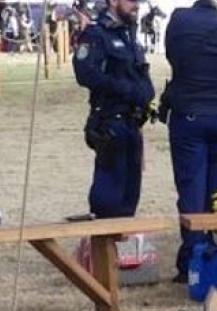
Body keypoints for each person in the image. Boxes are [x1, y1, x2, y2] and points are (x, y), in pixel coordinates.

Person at [164, 0, 217, 281]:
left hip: (190, 113)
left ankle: (193, 259)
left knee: (191, 191)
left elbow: (172, 57)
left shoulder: (179, 20)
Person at [73, 0, 153, 220]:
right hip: (111, 121)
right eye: (131, 1)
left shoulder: (128, 34)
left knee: (129, 196)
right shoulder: (96, 34)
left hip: (132, 123)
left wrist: (146, 92)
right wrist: (125, 90)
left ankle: (120, 248)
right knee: (109, 198)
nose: (136, 5)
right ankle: (102, 248)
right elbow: (86, 74)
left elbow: (138, 71)